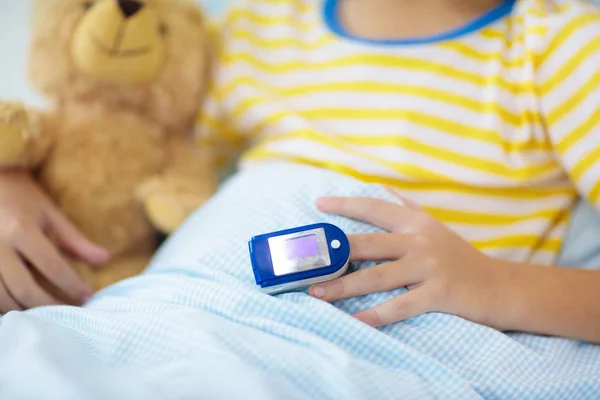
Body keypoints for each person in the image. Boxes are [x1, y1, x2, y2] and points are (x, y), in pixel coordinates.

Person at [0, 0, 599, 347]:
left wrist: (493, 284)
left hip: (372, 353)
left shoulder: (560, 47)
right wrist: (14, 179)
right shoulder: (254, 32)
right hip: (182, 320)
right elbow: (118, 143)